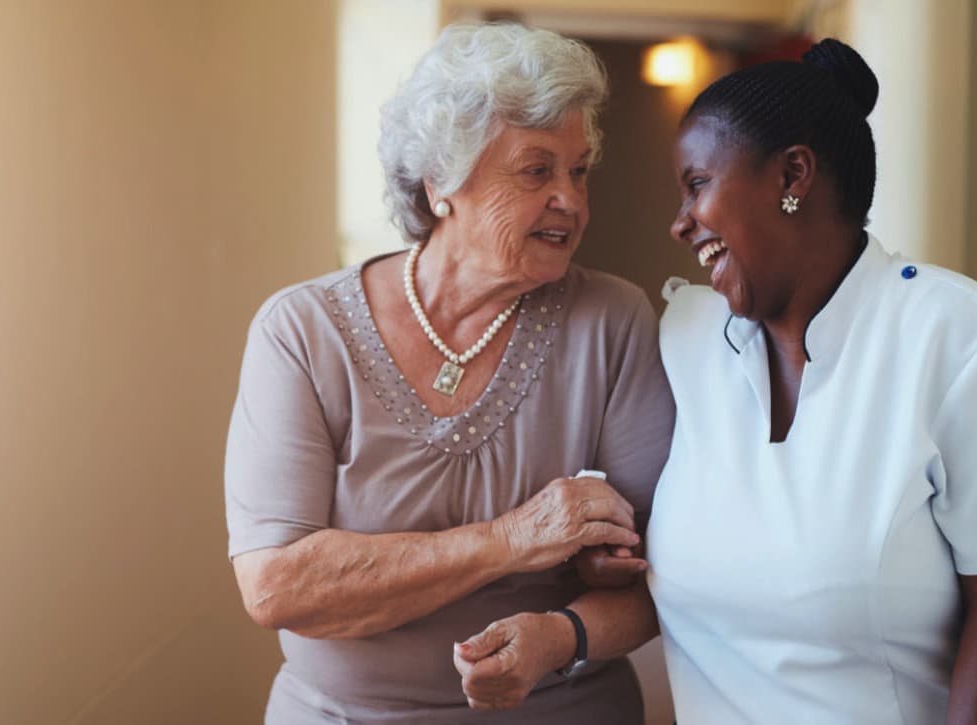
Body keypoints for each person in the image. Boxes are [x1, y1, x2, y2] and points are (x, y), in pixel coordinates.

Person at [223, 22, 671, 723]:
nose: (571, 199)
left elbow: (667, 575)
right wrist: (511, 539)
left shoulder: (613, 321)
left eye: (578, 169)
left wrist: (562, 632)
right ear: (441, 184)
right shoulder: (303, 332)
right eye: (536, 170)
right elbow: (275, 585)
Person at [645, 38, 977, 723]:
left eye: (697, 184)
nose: (680, 222)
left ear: (793, 175)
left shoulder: (967, 345)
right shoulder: (684, 341)